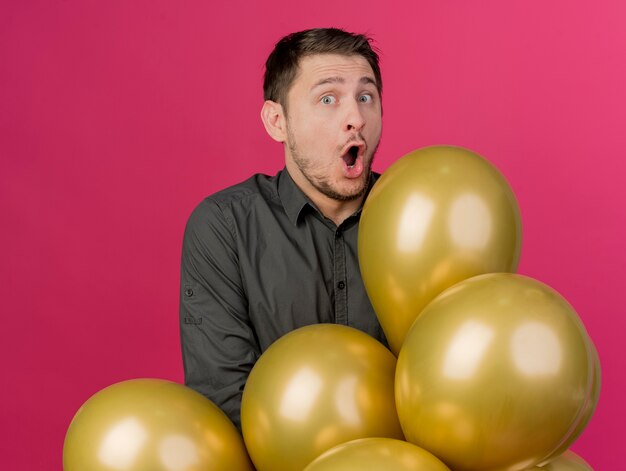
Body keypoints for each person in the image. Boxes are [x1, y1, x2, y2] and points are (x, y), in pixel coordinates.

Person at [179, 28, 386, 430]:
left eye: (366, 97)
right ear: (277, 121)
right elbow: (224, 401)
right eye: (328, 99)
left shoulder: (420, 217)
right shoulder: (226, 227)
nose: (356, 119)